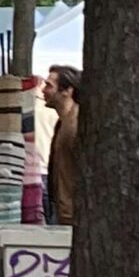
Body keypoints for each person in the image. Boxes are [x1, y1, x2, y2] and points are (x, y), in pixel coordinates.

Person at [45, 65, 81, 224]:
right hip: (64, 211)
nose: (43, 90)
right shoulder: (63, 123)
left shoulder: (75, 125)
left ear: (67, 91)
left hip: (72, 214)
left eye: (49, 86)